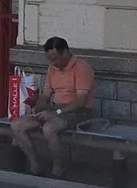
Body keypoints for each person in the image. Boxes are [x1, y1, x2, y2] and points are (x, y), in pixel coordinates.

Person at [9, 37, 94, 178]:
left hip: (78, 111)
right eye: (50, 59)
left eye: (55, 58)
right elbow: (46, 94)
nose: (53, 63)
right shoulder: (52, 68)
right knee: (17, 125)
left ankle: (58, 169)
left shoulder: (82, 68)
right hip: (56, 108)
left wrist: (56, 112)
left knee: (49, 128)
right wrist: (38, 107)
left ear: (65, 52)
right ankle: (35, 166)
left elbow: (81, 101)